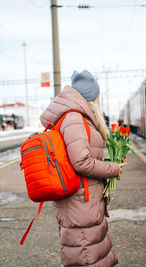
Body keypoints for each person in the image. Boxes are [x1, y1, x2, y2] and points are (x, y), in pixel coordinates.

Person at [40, 70, 126, 266]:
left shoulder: (79, 117)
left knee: (92, 255)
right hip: (80, 203)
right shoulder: (74, 118)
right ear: (91, 97)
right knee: (86, 257)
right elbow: (82, 162)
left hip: (85, 202)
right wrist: (113, 168)